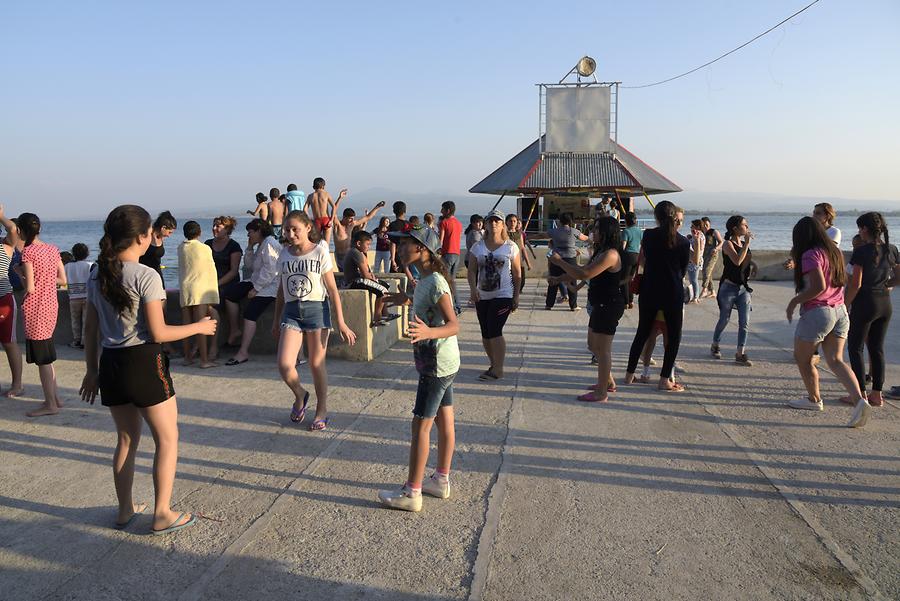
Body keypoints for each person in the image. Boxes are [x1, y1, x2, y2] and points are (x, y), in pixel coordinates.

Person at [80, 204, 217, 534]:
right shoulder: (146, 275)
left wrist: (91, 371)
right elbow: (159, 333)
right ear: (143, 237)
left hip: (110, 363)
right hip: (143, 363)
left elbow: (90, 330)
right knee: (167, 439)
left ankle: (124, 510)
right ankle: (161, 513)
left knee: (126, 440)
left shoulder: (97, 274)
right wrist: (198, 327)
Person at [378, 226, 459, 512]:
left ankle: (412, 493)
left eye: (405, 245)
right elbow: (428, 303)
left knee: (420, 427)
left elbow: (454, 324)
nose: (399, 249)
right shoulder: (425, 279)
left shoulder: (435, 281)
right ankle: (441, 480)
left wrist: (427, 333)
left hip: (435, 364)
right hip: (445, 361)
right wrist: (406, 300)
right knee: (444, 421)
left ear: (422, 249)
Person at [273, 211, 356, 431]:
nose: (290, 234)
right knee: (284, 364)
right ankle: (300, 394)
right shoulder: (284, 254)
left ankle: (322, 409)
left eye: (295, 229)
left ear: (308, 227)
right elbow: (281, 292)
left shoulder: (319, 251)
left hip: (316, 311)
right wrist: (275, 320)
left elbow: (332, 290)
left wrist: (341, 322)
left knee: (316, 364)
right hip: (291, 312)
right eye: (287, 230)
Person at [786, 216, 869, 427]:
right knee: (836, 360)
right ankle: (860, 401)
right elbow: (844, 282)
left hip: (818, 312)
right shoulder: (835, 252)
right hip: (840, 311)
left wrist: (794, 301)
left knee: (803, 358)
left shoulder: (810, 254)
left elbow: (818, 287)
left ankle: (814, 399)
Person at [549, 217, 629, 402]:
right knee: (593, 346)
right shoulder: (601, 251)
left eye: (597, 229)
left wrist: (559, 261)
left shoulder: (611, 254)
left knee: (603, 350)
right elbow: (584, 269)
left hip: (609, 305)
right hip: (599, 304)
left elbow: (585, 274)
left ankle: (602, 393)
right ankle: (607, 382)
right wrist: (560, 278)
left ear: (607, 232)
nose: (593, 232)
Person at [623, 201, 689, 391]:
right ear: (675, 217)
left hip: (649, 290)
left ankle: (629, 375)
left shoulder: (648, 236)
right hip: (672, 292)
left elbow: (643, 260)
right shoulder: (683, 242)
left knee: (642, 332)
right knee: (674, 336)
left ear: (656, 217)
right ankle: (664, 379)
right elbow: (683, 271)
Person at [845, 212, 899, 408]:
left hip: (865, 303)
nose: (859, 231)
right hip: (885, 304)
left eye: (860, 228)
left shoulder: (861, 251)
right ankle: (877, 394)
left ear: (865, 229)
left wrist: (844, 305)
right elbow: (899, 277)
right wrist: (886, 284)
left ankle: (860, 396)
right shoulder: (892, 249)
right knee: (877, 349)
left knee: (855, 348)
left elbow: (856, 284)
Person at [18, 212, 67, 416]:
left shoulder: (27, 253)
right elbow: (62, 279)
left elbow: (29, 287)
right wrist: (45, 279)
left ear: (21, 230)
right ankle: (54, 398)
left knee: (42, 360)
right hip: (51, 306)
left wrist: (19, 272)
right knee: (47, 355)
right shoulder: (53, 249)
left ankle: (50, 405)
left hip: (35, 307)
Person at [467, 210, 521, 381]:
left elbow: (518, 274)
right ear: (486, 224)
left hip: (503, 294)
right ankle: (493, 363)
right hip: (482, 294)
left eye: (497, 221)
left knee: (495, 328)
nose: (494, 224)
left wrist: (516, 296)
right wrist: (472, 289)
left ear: (503, 224)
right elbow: (472, 270)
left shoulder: (511, 246)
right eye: (490, 221)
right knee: (485, 332)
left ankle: (499, 369)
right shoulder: (478, 247)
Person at [223, 219, 280, 363]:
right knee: (230, 294)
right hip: (256, 281)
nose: (249, 235)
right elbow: (250, 265)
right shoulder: (262, 244)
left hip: (270, 287)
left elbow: (271, 271)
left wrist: (256, 289)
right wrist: (249, 248)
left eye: (250, 233)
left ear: (259, 231)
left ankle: (243, 352)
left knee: (250, 314)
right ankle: (235, 330)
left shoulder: (269, 244)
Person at [711, 215, 754, 366]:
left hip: (743, 289)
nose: (747, 227)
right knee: (725, 319)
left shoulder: (743, 243)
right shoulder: (727, 244)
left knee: (745, 322)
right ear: (735, 228)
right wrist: (747, 244)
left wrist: (752, 268)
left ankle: (740, 353)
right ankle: (715, 344)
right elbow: (737, 261)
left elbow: (746, 262)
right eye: (744, 225)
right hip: (728, 288)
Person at [178, 221, 220, 368]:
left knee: (186, 325)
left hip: (185, 288)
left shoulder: (180, 248)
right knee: (200, 326)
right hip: (200, 289)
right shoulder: (205, 248)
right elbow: (210, 269)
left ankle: (187, 357)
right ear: (200, 232)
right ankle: (204, 360)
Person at [343, 230, 395, 327]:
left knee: (386, 286)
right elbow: (365, 274)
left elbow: (367, 272)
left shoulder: (358, 252)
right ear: (358, 243)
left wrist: (372, 277)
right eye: (367, 244)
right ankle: (377, 318)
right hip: (354, 282)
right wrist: (372, 278)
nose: (369, 247)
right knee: (382, 291)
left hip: (358, 280)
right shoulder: (356, 253)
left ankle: (385, 314)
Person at [0, 206, 23, 397]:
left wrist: (1, 216)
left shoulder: (5, 247)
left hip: (3, 300)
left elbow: (12, 229)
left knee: (9, 343)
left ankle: (17, 384)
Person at [545, 213, 590, 311]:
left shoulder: (554, 231)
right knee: (572, 281)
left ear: (560, 221)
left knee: (553, 281)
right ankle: (573, 305)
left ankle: (549, 304)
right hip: (570, 259)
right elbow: (584, 238)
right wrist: (592, 239)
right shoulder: (574, 231)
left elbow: (541, 235)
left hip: (556, 259)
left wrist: (529, 237)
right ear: (570, 221)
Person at [331, 197, 384, 271]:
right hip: (339, 254)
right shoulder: (338, 225)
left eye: (353, 218)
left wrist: (377, 207)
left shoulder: (351, 225)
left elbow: (368, 217)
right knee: (342, 274)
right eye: (350, 218)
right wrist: (340, 198)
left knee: (352, 271)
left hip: (348, 254)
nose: (352, 220)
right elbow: (333, 211)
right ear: (344, 217)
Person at [205, 215, 243, 302]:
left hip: (228, 282)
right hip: (211, 281)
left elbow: (234, 271)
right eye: (213, 225)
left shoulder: (234, 246)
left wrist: (217, 284)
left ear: (227, 229)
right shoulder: (208, 243)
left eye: (218, 226)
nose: (214, 228)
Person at [65, 242, 93, 349]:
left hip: (73, 297)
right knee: (86, 321)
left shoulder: (68, 266)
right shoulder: (90, 265)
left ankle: (76, 340)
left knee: (75, 320)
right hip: (87, 297)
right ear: (87, 254)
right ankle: (84, 342)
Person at [139, 211, 177, 287]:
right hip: (143, 273)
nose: (169, 236)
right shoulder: (147, 235)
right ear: (163, 228)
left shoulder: (161, 237)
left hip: (157, 273)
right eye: (169, 232)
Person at [438, 201, 463, 312]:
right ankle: (457, 306)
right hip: (457, 254)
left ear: (447, 210)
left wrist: (437, 252)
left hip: (447, 253)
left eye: (442, 209)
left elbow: (440, 240)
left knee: (444, 281)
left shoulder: (444, 222)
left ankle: (449, 307)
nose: (441, 211)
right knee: (452, 281)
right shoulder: (458, 223)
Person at [303, 178, 341, 243]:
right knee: (326, 244)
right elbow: (334, 207)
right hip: (326, 220)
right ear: (323, 185)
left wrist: (309, 219)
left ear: (314, 186)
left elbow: (304, 209)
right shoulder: (326, 194)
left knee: (316, 243)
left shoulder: (310, 196)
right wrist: (331, 220)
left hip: (316, 221)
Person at [506, 214, 532, 294]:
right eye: (510, 221)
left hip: (519, 260)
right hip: (508, 260)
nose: (512, 223)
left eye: (514, 221)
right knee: (510, 280)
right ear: (506, 222)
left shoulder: (519, 234)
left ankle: (517, 293)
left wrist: (528, 263)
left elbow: (523, 248)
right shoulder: (504, 234)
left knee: (521, 279)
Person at [621, 212, 642, 309]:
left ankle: (625, 302)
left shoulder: (626, 231)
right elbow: (642, 245)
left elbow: (623, 246)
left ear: (626, 221)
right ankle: (631, 301)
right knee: (630, 279)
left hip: (628, 256)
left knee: (624, 280)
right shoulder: (639, 231)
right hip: (637, 256)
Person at [700, 217, 723, 299]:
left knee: (706, 271)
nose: (705, 226)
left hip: (712, 255)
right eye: (704, 225)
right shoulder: (701, 232)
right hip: (704, 255)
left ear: (709, 224)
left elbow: (721, 242)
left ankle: (704, 289)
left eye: (707, 224)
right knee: (707, 272)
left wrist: (716, 248)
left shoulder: (713, 232)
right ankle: (713, 291)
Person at [388, 201, 411, 273]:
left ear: (394, 211)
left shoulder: (393, 225)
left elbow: (393, 243)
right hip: (409, 255)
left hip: (398, 255)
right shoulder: (410, 225)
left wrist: (392, 259)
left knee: (395, 279)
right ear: (405, 211)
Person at [687, 220, 705, 303]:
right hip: (692, 261)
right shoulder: (696, 236)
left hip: (695, 261)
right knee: (692, 279)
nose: (691, 228)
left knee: (694, 280)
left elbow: (699, 249)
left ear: (698, 227)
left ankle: (696, 297)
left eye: (692, 226)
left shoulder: (699, 236)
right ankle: (693, 295)